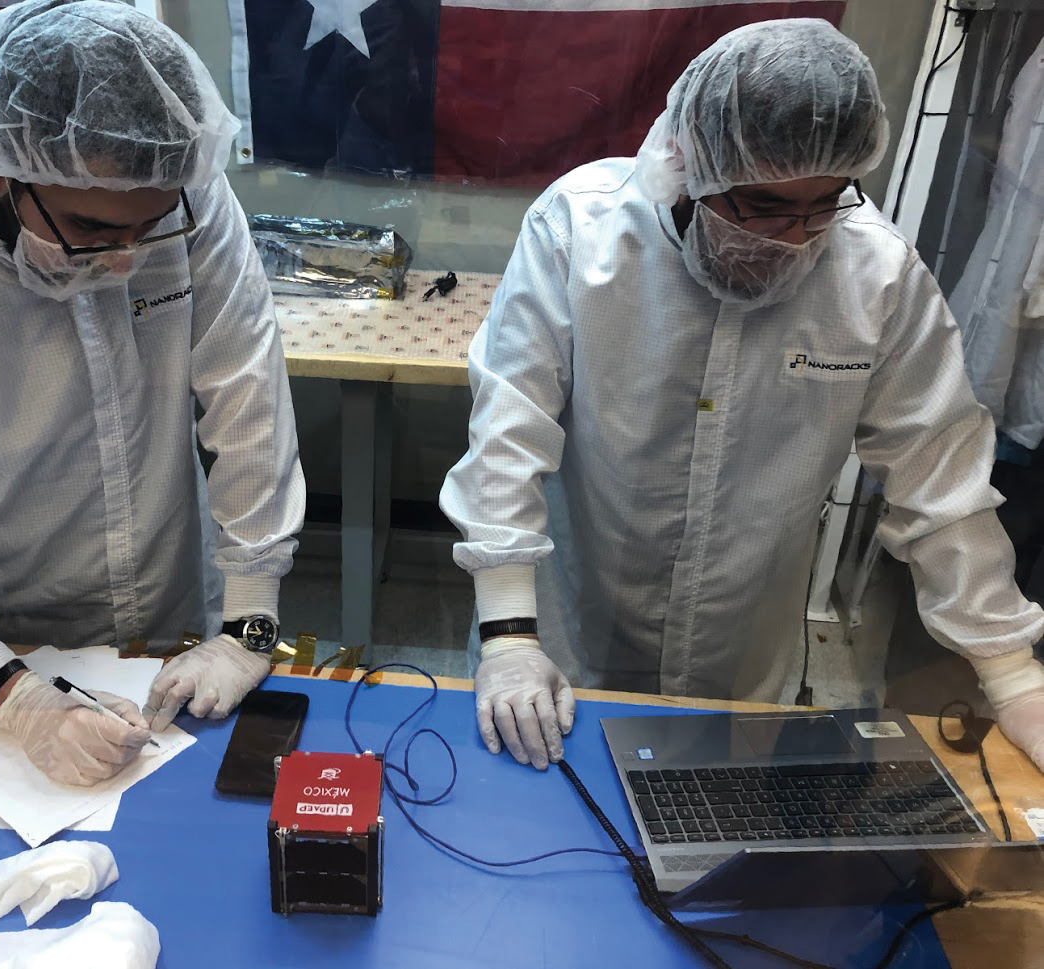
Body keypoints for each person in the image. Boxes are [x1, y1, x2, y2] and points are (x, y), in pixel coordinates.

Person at [440, 19, 1044, 771]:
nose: (796, 237)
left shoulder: (876, 277)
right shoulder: (580, 233)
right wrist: (508, 635)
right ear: (688, 165)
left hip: (742, 671)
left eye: (823, 203)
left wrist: (1013, 676)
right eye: (764, 207)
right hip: (562, 649)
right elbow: (508, 433)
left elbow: (941, 479)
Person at [0, 0, 305, 787]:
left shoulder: (188, 202)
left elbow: (249, 406)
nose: (128, 258)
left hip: (172, 618)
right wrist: (19, 697)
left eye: (149, 228)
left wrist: (247, 622)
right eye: (92, 230)